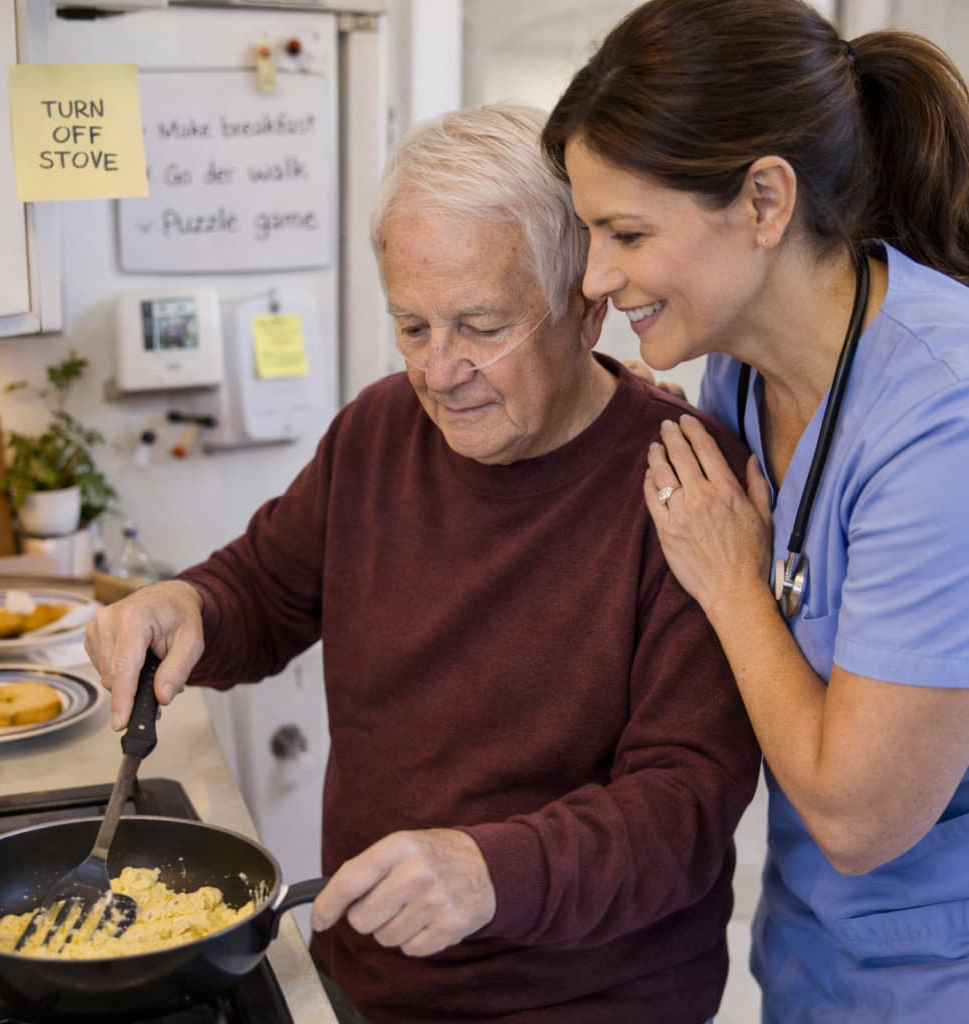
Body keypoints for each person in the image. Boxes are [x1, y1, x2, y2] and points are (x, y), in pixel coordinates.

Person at [85, 104, 760, 1024]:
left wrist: (490, 871)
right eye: (412, 327)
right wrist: (187, 605)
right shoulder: (378, 430)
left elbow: (684, 807)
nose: (440, 373)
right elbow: (268, 587)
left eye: (481, 326)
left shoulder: (686, 483)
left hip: (583, 1000)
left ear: (585, 303)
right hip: (370, 971)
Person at [541, 1, 969, 1020]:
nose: (596, 278)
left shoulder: (942, 412)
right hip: (810, 956)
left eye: (627, 233)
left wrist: (733, 584)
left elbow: (863, 816)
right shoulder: (735, 373)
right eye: (587, 232)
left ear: (764, 201)